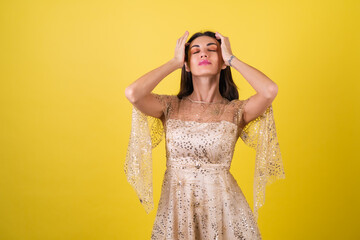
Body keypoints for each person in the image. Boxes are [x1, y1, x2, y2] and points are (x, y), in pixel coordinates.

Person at [124, 30, 285, 239]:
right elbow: (133, 93)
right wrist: (174, 62)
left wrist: (232, 58)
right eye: (195, 51)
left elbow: (270, 91)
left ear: (222, 62)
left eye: (212, 50)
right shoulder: (170, 106)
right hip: (177, 212)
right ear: (187, 64)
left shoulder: (236, 110)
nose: (204, 54)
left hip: (223, 212)